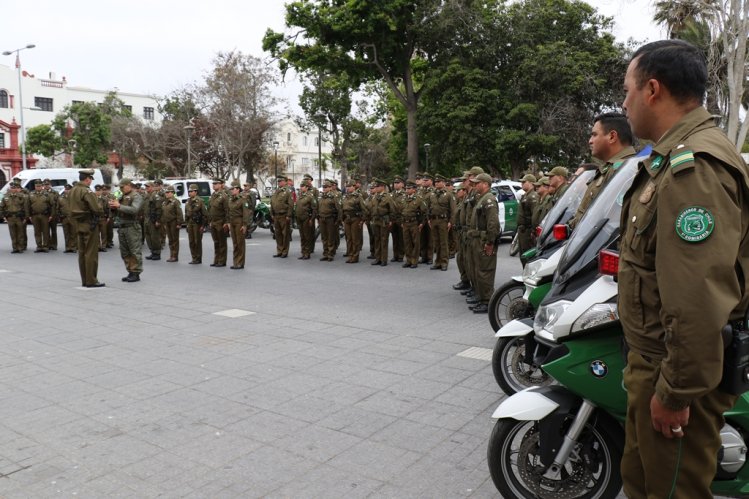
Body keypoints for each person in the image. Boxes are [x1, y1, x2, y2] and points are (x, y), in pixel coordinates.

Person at [618, 39, 749, 498]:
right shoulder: (669, 160)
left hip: (672, 377)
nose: (624, 103)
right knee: (644, 484)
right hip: (657, 365)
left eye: (627, 90)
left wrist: (675, 393)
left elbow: (697, 299)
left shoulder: (693, 170)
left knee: (671, 492)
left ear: (653, 89)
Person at [568, 112, 637, 229]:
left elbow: (611, 224)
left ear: (612, 137)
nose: (590, 141)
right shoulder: (610, 168)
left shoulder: (626, 171)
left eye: (594, 135)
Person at [466, 173, 499, 313]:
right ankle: (481, 298)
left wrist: (490, 242)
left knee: (485, 271)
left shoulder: (489, 200)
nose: (475, 185)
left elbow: (493, 224)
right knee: (478, 270)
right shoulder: (482, 199)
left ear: (485, 184)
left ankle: (487, 301)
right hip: (477, 239)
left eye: (477, 182)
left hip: (484, 240)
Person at [69, 169, 105, 287]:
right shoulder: (86, 191)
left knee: (82, 253)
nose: (90, 182)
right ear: (87, 179)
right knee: (91, 253)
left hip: (78, 223)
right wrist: (101, 208)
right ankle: (91, 280)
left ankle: (85, 279)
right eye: (90, 179)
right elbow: (96, 208)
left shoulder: (73, 190)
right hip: (89, 223)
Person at [109, 178, 144, 282]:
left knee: (134, 250)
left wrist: (119, 205)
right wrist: (113, 207)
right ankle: (130, 270)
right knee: (125, 251)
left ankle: (136, 272)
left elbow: (134, 210)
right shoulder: (122, 196)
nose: (121, 189)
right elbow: (118, 211)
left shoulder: (136, 196)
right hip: (123, 226)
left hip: (132, 226)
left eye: (122, 187)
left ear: (129, 185)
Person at [427, 174, 455, 271]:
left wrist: (451, 222)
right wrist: (428, 219)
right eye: (436, 182)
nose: (437, 183)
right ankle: (437, 262)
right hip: (434, 220)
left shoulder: (449, 194)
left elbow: (453, 210)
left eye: (439, 182)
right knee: (436, 242)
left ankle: (444, 262)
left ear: (443, 183)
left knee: (443, 242)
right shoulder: (432, 194)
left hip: (443, 220)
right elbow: (429, 207)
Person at [400, 179, 427, 268]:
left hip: (414, 223)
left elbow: (424, 212)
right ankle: (408, 260)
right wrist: (401, 221)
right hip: (405, 223)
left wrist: (422, 223)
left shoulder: (419, 199)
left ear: (414, 190)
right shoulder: (404, 199)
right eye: (406, 188)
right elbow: (401, 211)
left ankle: (414, 260)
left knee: (415, 242)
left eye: (409, 188)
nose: (407, 190)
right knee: (407, 242)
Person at [369, 178, 396, 266]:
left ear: (382, 187)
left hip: (384, 221)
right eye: (375, 187)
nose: (375, 188)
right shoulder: (375, 196)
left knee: (384, 240)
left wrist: (391, 220)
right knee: (377, 239)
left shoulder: (388, 197)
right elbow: (372, 208)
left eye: (377, 187)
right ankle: (378, 258)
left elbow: (392, 209)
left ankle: (384, 259)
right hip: (376, 220)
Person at [341, 179, 366, 263]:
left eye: (349, 187)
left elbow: (364, 209)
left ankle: (355, 256)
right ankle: (350, 255)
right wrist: (342, 219)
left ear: (354, 187)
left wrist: (362, 220)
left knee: (355, 238)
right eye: (346, 187)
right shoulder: (345, 196)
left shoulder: (358, 196)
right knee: (349, 238)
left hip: (355, 218)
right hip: (347, 219)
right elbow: (342, 208)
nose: (347, 188)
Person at [515, 174, 538, 265]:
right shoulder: (525, 195)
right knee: (523, 255)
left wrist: (533, 230)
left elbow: (535, 215)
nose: (522, 184)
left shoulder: (532, 196)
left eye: (524, 182)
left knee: (528, 257)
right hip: (522, 230)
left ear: (531, 183)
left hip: (528, 230)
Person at [0, 180, 29, 253]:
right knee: (12, 233)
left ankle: (20, 247)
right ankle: (15, 248)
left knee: (20, 233)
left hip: (19, 217)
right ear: (10, 188)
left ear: (16, 189)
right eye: (12, 188)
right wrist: (3, 216)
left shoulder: (21, 197)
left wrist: (26, 217)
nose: (13, 189)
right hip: (10, 217)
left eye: (14, 188)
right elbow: (2, 207)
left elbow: (25, 207)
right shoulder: (6, 197)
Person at [317, 179, 342, 261]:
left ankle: (330, 254)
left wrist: (338, 220)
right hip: (322, 219)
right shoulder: (321, 197)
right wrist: (318, 218)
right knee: (324, 237)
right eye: (323, 187)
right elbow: (318, 208)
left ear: (330, 188)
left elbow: (339, 209)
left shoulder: (334, 197)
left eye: (326, 187)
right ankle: (325, 253)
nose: (324, 188)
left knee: (330, 237)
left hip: (330, 219)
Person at [207, 178, 230, 267]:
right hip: (213, 222)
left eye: (216, 184)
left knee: (222, 242)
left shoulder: (224, 196)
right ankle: (216, 259)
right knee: (216, 242)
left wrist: (226, 222)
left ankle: (222, 261)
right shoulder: (213, 195)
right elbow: (210, 209)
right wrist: (210, 221)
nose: (214, 185)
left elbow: (227, 210)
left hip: (221, 221)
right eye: (213, 184)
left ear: (221, 185)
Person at [28, 181, 56, 253]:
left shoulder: (47, 195)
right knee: (37, 232)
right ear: (35, 187)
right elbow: (27, 206)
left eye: (40, 186)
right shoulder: (31, 194)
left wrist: (51, 215)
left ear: (42, 186)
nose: (38, 187)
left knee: (45, 231)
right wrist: (29, 216)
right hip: (35, 215)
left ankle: (45, 246)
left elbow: (52, 205)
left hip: (45, 215)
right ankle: (39, 246)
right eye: (37, 186)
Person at [270, 175, 293, 258]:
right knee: (278, 234)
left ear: (285, 182)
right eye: (278, 181)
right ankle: (279, 250)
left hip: (284, 215)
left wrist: (288, 215)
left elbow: (291, 204)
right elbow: (272, 202)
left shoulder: (288, 191)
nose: (279, 183)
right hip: (276, 215)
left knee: (285, 234)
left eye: (281, 181)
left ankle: (285, 251)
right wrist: (271, 213)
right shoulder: (277, 191)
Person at [185, 183, 207, 264]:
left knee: (197, 241)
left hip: (197, 224)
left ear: (196, 192)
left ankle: (198, 258)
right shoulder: (188, 201)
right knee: (191, 241)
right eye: (189, 191)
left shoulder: (200, 201)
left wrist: (203, 225)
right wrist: (186, 223)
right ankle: (193, 257)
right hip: (190, 223)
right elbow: (186, 213)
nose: (190, 193)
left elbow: (204, 214)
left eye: (191, 191)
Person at [295, 180, 317, 260]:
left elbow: (314, 209)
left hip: (306, 218)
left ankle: (307, 253)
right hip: (299, 218)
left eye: (302, 186)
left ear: (306, 187)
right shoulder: (300, 196)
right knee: (302, 236)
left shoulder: (310, 196)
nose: (301, 188)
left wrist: (312, 219)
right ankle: (303, 252)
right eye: (300, 186)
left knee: (307, 236)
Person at [161, 185, 184, 262]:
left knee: (175, 240)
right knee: (170, 240)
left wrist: (179, 223)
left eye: (168, 192)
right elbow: (163, 213)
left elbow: (179, 213)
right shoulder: (165, 202)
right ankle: (171, 255)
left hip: (174, 222)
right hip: (167, 223)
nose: (166, 194)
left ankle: (175, 255)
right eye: (166, 192)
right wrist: (163, 223)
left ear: (172, 193)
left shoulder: (175, 202)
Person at [144, 182, 164, 260]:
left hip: (153, 219)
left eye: (148, 187)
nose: (146, 188)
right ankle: (152, 251)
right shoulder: (147, 196)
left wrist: (158, 220)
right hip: (147, 218)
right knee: (148, 236)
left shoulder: (156, 196)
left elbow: (159, 209)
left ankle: (157, 253)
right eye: (146, 187)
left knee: (154, 236)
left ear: (152, 187)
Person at [390, 176, 405, 262]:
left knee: (401, 238)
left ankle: (401, 255)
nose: (395, 184)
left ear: (402, 184)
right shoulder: (392, 194)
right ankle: (395, 255)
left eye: (397, 183)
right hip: (393, 219)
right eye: (394, 183)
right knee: (394, 237)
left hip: (400, 218)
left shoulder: (405, 194)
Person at [58, 184, 77, 253]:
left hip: (73, 218)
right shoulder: (61, 198)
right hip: (64, 218)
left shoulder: (75, 198)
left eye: (68, 189)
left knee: (73, 233)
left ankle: (73, 247)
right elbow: (58, 208)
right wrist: (60, 216)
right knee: (66, 233)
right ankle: (67, 247)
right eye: (66, 189)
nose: (67, 191)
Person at [43, 179, 60, 251]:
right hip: (45, 214)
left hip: (53, 214)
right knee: (45, 230)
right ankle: (47, 244)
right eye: (45, 185)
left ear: (50, 185)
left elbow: (58, 203)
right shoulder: (42, 193)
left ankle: (54, 245)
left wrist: (55, 213)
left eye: (48, 185)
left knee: (53, 230)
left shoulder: (55, 193)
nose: (46, 186)